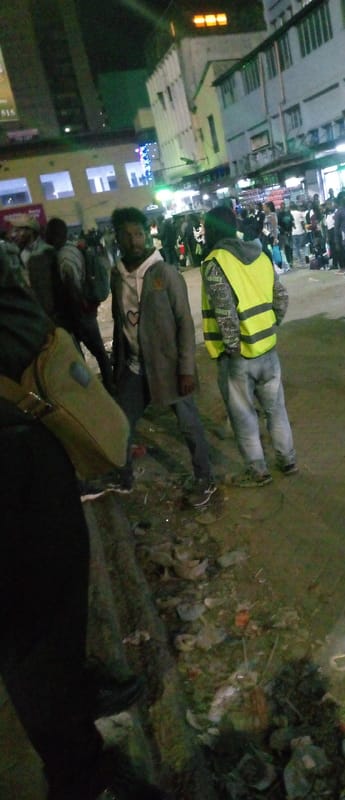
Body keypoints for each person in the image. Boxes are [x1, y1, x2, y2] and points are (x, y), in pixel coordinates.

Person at [0, 257, 168, 800]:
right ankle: (81, 776)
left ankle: (72, 686)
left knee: (63, 585)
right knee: (31, 631)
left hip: (30, 432)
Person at [108, 207, 216, 509]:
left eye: (139, 234)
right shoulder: (117, 276)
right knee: (121, 425)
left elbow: (185, 323)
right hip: (133, 368)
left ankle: (205, 478)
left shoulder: (165, 273)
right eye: (127, 235)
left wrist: (186, 369)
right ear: (116, 238)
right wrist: (117, 366)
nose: (134, 241)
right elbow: (120, 323)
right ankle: (123, 478)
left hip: (168, 367)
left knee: (189, 425)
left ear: (147, 234)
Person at [200, 205, 297, 487]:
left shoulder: (215, 262)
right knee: (276, 409)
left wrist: (231, 349)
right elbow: (281, 297)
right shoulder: (261, 254)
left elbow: (224, 312)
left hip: (239, 356)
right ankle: (288, 460)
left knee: (243, 416)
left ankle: (258, 471)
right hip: (268, 348)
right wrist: (270, 324)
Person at [44, 217, 114, 392]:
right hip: (84, 312)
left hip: (78, 314)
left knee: (83, 356)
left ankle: (100, 390)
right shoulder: (72, 249)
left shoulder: (64, 257)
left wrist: (77, 317)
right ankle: (110, 385)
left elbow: (72, 287)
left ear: (53, 235)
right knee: (98, 352)